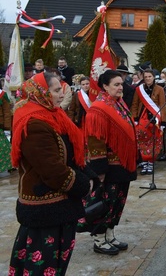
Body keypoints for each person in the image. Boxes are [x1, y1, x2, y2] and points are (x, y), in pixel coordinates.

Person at [9, 72, 93, 274]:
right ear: (40, 92)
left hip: (59, 206)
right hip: (46, 207)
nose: (61, 94)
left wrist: (88, 173)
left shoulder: (52, 115)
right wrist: (83, 185)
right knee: (42, 265)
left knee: (55, 264)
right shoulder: (34, 123)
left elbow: (69, 154)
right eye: (56, 90)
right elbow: (52, 169)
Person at [78, 70, 137, 255]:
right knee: (105, 202)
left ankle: (110, 235)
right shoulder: (99, 109)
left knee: (118, 202)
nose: (121, 88)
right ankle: (98, 239)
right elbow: (95, 141)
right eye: (116, 84)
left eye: (122, 84)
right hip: (109, 167)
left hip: (122, 165)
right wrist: (99, 171)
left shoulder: (118, 103)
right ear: (105, 86)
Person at [131, 69, 166, 174]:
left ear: (154, 77)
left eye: (149, 76)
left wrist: (163, 122)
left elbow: (162, 106)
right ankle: (145, 163)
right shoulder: (139, 89)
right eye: (145, 77)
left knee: (154, 141)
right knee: (142, 140)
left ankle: (151, 163)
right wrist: (135, 118)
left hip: (155, 119)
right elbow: (135, 104)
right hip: (142, 118)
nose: (147, 79)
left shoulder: (160, 89)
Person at [0, 88, 12, 173]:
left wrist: (7, 127)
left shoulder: (2, 94)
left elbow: (7, 112)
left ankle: (7, 167)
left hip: (0, 126)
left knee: (3, 147)